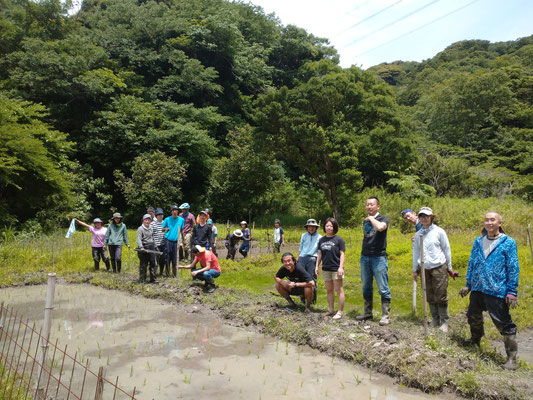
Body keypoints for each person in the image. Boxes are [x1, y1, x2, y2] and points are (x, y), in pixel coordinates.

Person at [459, 212, 520, 370]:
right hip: (478, 287)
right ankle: (475, 339)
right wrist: (468, 284)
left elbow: (513, 267)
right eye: (486, 220)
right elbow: (473, 262)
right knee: (473, 315)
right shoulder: (478, 241)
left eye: (492, 220)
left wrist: (512, 291)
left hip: (497, 289)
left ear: (499, 223)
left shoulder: (508, 242)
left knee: (503, 323)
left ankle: (512, 358)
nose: (489, 222)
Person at [412, 207, 457, 332]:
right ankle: (435, 319)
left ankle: (444, 321)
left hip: (438, 266)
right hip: (424, 268)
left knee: (440, 293)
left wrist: (450, 267)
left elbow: (446, 249)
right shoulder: (418, 234)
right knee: (429, 294)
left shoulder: (439, 232)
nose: (423, 218)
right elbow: (416, 252)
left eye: (426, 216)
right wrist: (415, 269)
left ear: (431, 217)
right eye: (421, 216)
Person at [357, 197, 391, 325]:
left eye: (371, 205)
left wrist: (371, 218)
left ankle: (385, 316)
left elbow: (381, 228)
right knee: (366, 286)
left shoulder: (383, 219)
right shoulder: (365, 220)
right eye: (367, 205)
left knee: (383, 287)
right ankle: (367, 313)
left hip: (379, 257)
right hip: (365, 257)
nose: (369, 207)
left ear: (378, 206)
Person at [315, 218, 345, 320]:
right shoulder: (321, 240)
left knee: (339, 290)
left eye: (331, 226)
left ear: (334, 227)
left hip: (336, 268)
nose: (329, 227)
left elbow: (342, 254)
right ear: (324, 227)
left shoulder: (339, 240)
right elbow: (319, 254)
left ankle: (340, 312)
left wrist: (341, 267)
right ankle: (331, 309)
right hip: (325, 268)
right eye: (327, 226)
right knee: (329, 290)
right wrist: (316, 266)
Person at [162, 205, 184, 277]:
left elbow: (182, 230)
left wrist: (182, 241)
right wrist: (166, 229)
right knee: (167, 257)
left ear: (178, 211)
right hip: (168, 240)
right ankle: (167, 274)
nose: (175, 211)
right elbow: (162, 229)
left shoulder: (181, 220)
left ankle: (174, 274)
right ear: (171, 212)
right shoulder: (167, 219)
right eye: (173, 210)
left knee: (175, 258)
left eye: (176, 210)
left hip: (176, 241)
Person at [136, 214, 157, 283]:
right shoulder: (140, 229)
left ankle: (153, 279)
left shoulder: (151, 228)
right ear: (143, 220)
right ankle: (142, 279)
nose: (147, 221)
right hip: (143, 247)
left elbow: (153, 238)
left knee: (153, 263)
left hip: (151, 247)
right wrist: (141, 247)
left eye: (148, 220)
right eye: (146, 219)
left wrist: (155, 246)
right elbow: (138, 239)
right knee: (143, 264)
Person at [151, 208, 166, 276]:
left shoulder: (165, 223)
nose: (160, 216)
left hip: (163, 244)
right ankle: (154, 272)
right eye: (159, 214)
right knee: (155, 259)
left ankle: (161, 272)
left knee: (162, 260)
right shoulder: (153, 224)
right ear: (156, 215)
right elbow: (151, 234)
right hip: (156, 244)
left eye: (161, 214)